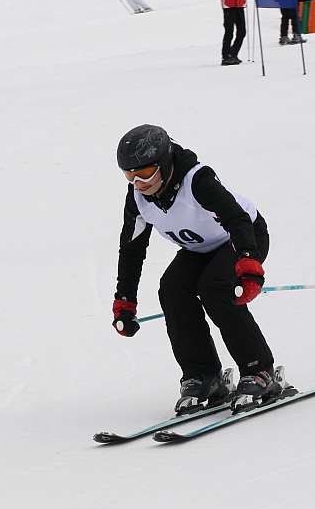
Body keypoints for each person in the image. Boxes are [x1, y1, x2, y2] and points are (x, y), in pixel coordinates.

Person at [111, 124, 284, 415]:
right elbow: (132, 249)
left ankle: (259, 370)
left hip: (243, 237)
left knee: (215, 288)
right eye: (130, 175)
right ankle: (203, 376)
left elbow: (237, 218)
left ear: (165, 164)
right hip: (201, 249)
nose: (138, 182)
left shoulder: (197, 180)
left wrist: (249, 264)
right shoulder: (138, 197)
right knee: (172, 289)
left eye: (144, 174)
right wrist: (124, 301)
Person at [220, 0, 247, 65]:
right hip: (228, 4)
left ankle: (233, 54)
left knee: (242, 32)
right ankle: (225, 57)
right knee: (229, 32)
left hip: (240, 4)